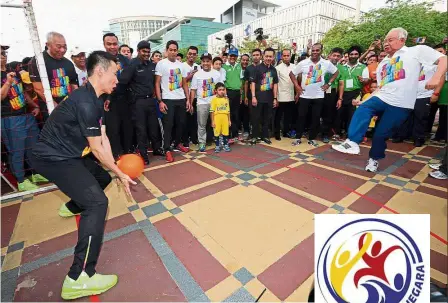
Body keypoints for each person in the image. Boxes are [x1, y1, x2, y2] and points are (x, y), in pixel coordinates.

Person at [30, 51, 136, 300]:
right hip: (53, 158)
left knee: (102, 179)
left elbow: (103, 137)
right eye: (114, 74)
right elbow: (97, 149)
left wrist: (115, 170)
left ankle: (73, 205)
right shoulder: (86, 102)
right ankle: (78, 278)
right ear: (99, 72)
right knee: (98, 203)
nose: (117, 80)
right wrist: (121, 173)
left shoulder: (96, 98)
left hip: (70, 155)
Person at [332, 28, 447, 173]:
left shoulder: (416, 51)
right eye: (385, 40)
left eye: (390, 40)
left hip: (401, 104)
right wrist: (365, 101)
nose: (386, 43)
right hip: (383, 97)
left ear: (402, 40)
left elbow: (444, 59)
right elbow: (381, 87)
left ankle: (374, 159)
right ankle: (353, 142)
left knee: (380, 134)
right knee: (363, 108)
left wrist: (436, 77)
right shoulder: (384, 63)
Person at [1, 44, 47, 191]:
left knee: (33, 146)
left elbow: (23, 92)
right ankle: (21, 181)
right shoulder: (8, 76)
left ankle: (36, 173)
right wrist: (7, 82)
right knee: (17, 150)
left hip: (26, 115)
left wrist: (34, 105)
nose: (3, 55)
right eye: (0, 53)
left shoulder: (13, 71)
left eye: (4, 52)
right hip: (9, 118)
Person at [120, 41, 163, 164]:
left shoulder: (151, 65)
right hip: (137, 102)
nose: (147, 54)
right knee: (141, 130)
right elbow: (122, 82)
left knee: (153, 127)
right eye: (144, 51)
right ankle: (143, 155)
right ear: (138, 51)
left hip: (151, 100)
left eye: (148, 51)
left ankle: (156, 149)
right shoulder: (132, 65)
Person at [290, 43, 340, 147]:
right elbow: (291, 74)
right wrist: (297, 86)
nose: (315, 52)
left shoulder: (326, 63)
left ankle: (312, 138)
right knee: (301, 117)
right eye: (313, 50)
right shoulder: (304, 62)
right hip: (304, 95)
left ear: (321, 51)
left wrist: (328, 84)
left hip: (319, 95)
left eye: (317, 50)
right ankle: (298, 137)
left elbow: (336, 72)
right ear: (310, 51)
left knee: (316, 118)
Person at [155, 40, 191, 163]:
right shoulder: (161, 64)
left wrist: (187, 100)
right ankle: (167, 149)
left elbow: (185, 83)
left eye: (175, 50)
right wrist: (160, 101)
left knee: (181, 123)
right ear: (166, 51)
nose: (173, 52)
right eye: (170, 49)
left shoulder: (181, 65)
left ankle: (177, 144)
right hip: (167, 99)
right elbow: (157, 83)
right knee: (168, 125)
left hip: (180, 98)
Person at [29, 32, 79, 120]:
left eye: (65, 46)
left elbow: (74, 85)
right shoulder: (38, 61)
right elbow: (38, 89)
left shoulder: (68, 63)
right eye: (59, 47)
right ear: (48, 45)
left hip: (69, 109)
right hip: (50, 110)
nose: (62, 50)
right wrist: (57, 108)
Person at [102, 33, 132, 159]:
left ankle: (128, 153)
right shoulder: (100, 60)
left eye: (115, 44)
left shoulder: (124, 60)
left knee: (127, 127)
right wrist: (108, 97)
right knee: (113, 129)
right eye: (109, 44)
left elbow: (127, 79)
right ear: (104, 45)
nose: (112, 47)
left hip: (125, 99)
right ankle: (116, 155)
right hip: (108, 101)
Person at [333, 45, 369, 139]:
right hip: (342, 92)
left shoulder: (363, 67)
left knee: (352, 114)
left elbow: (366, 80)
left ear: (359, 55)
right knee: (339, 113)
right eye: (351, 54)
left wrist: (363, 80)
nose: (353, 56)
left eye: (356, 54)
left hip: (355, 92)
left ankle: (350, 133)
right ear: (348, 55)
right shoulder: (341, 67)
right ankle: (337, 132)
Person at [190, 53, 221, 152]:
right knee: (202, 124)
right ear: (201, 62)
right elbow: (193, 90)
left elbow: (221, 88)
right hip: (201, 103)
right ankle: (202, 142)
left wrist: (224, 99)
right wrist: (190, 103)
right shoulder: (197, 75)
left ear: (211, 62)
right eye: (204, 61)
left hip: (215, 102)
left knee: (216, 123)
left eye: (208, 61)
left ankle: (217, 140)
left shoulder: (216, 74)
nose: (206, 63)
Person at [249, 47, 279, 145]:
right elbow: (252, 83)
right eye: (266, 56)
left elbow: (275, 84)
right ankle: (254, 136)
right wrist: (253, 96)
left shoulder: (274, 70)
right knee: (256, 118)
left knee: (267, 119)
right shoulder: (257, 68)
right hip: (258, 98)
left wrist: (275, 98)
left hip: (269, 99)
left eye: (270, 56)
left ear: (273, 57)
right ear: (263, 56)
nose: (268, 58)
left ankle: (265, 136)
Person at [322, 47, 344, 142]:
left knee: (329, 113)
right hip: (319, 91)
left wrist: (340, 98)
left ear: (341, 57)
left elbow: (341, 83)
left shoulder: (341, 68)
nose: (335, 57)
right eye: (334, 55)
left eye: (338, 56)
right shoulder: (322, 64)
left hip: (332, 92)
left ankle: (325, 134)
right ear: (329, 55)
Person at [222, 47, 243, 141]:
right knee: (227, 114)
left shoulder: (239, 66)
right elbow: (222, 82)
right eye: (231, 55)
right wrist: (225, 95)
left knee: (236, 114)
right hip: (228, 93)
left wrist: (241, 95)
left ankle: (234, 134)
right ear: (228, 55)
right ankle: (228, 134)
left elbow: (241, 80)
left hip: (237, 93)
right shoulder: (224, 67)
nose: (232, 58)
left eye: (234, 56)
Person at [274, 49, 296, 141]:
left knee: (288, 116)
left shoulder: (295, 66)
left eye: (288, 55)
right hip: (281, 96)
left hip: (291, 95)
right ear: (281, 56)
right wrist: (276, 98)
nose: (286, 57)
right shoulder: (277, 68)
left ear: (290, 56)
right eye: (284, 55)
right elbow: (276, 83)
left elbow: (297, 81)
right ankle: (276, 133)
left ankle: (285, 132)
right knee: (278, 117)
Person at [182, 46, 200, 148]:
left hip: (196, 97)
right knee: (185, 120)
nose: (192, 56)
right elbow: (180, 82)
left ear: (196, 55)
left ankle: (194, 138)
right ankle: (185, 140)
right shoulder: (182, 66)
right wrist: (191, 75)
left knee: (194, 119)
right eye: (190, 53)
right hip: (184, 96)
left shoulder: (198, 67)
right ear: (187, 54)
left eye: (194, 54)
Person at [243, 49, 262, 140]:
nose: (255, 56)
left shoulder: (264, 67)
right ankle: (253, 133)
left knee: (261, 116)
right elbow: (246, 83)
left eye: (257, 55)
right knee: (252, 115)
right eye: (254, 55)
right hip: (251, 97)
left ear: (261, 56)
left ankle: (260, 133)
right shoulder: (248, 68)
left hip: (263, 96)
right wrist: (246, 96)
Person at [210, 82, 231, 152]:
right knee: (217, 132)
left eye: (223, 89)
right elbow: (212, 111)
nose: (222, 91)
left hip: (225, 117)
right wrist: (212, 121)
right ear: (216, 90)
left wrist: (229, 120)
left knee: (226, 132)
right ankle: (217, 146)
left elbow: (228, 111)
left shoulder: (226, 99)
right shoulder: (214, 99)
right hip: (217, 118)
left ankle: (226, 145)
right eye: (220, 90)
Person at [239, 54, 250, 138]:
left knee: (246, 114)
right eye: (243, 60)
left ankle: (246, 130)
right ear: (240, 60)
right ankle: (238, 130)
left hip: (247, 96)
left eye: (246, 60)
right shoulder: (237, 69)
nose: (245, 62)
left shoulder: (250, 70)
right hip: (237, 96)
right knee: (237, 114)